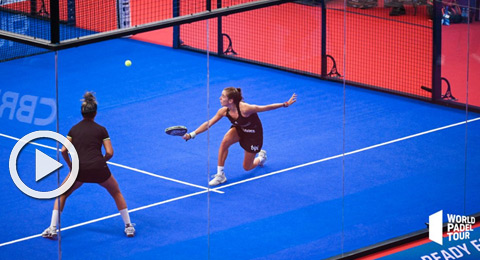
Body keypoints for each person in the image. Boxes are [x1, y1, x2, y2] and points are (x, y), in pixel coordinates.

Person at [41, 92, 135, 238]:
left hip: (80, 169)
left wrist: (71, 166)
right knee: (116, 192)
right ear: (95, 113)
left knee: (62, 194)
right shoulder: (101, 129)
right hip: (99, 169)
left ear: (82, 113)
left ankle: (52, 228)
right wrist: (100, 162)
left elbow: (64, 150)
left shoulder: (74, 129)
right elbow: (110, 152)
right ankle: (129, 226)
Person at [183, 87, 297, 186]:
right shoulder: (223, 111)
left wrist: (285, 104)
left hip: (254, 135)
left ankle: (261, 157)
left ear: (231, 100)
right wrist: (192, 134)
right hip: (240, 129)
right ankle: (220, 174)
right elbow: (209, 123)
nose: (220, 98)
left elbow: (265, 107)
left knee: (247, 167)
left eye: (223, 96)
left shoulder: (245, 109)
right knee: (224, 142)